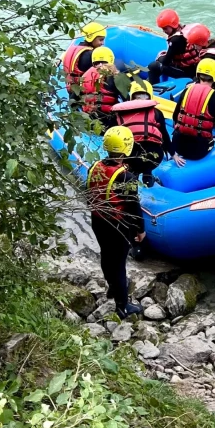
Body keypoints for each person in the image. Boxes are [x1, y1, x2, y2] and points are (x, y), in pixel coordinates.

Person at [86, 126, 145, 318]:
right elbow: (133, 205)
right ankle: (122, 307)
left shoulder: (95, 167)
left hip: (98, 220)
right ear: (127, 147)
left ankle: (113, 287)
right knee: (119, 263)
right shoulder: (125, 176)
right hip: (117, 225)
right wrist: (140, 229)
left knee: (106, 256)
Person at [109, 79, 171, 182]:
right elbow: (164, 136)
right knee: (148, 160)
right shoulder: (157, 113)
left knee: (133, 165)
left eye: (143, 97)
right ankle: (147, 174)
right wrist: (173, 154)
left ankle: (134, 177)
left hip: (130, 157)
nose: (141, 100)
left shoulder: (119, 114)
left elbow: (111, 135)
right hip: (153, 157)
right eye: (139, 97)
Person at [149, 18, 211, 84]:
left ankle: (153, 88)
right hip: (194, 68)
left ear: (172, 26)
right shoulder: (185, 30)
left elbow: (166, 62)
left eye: (165, 28)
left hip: (187, 73)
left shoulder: (175, 40)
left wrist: (160, 57)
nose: (164, 31)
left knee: (153, 66)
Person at [62, 21, 106, 95]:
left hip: (71, 90)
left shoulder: (76, 48)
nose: (103, 43)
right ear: (91, 38)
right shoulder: (89, 54)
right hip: (82, 95)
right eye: (101, 40)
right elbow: (93, 77)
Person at [79, 46, 118, 121]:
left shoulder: (84, 77)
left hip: (89, 118)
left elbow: (74, 99)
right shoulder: (112, 77)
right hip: (108, 118)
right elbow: (126, 99)